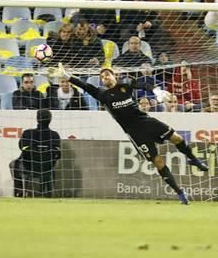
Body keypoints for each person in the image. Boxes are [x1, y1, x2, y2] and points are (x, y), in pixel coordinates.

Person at [51, 65, 209, 204]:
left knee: (177, 138)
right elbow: (84, 85)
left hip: (146, 122)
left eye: (107, 74)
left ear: (114, 76)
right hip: (135, 133)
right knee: (158, 162)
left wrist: (156, 90)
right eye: (102, 76)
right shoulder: (102, 94)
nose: (104, 77)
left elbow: (143, 84)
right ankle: (180, 193)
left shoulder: (125, 86)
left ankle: (194, 160)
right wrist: (67, 76)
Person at [12, 109, 61, 197]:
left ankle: (19, 190)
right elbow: (58, 154)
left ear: (37, 119)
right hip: (47, 167)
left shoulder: (28, 133)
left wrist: (33, 151)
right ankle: (48, 191)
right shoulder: (54, 135)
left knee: (14, 163)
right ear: (50, 120)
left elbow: (21, 148)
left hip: (29, 166)